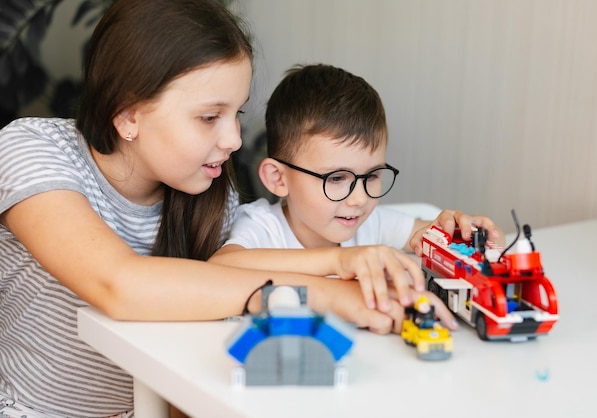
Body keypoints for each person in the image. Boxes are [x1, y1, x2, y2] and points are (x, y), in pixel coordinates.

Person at [0, 3, 414, 417]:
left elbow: (198, 346)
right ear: (127, 115)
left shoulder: (211, 194)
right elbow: (119, 284)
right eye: (209, 116)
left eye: (237, 113)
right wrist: (331, 290)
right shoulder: (33, 150)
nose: (234, 138)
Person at [211, 63, 505, 319]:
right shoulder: (263, 227)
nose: (360, 199)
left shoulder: (367, 224)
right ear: (278, 178)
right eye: (337, 178)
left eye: (373, 175)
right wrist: (338, 260)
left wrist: (465, 233)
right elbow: (222, 268)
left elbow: (429, 231)